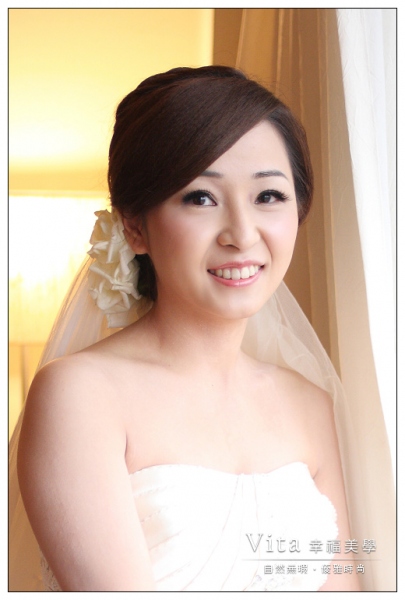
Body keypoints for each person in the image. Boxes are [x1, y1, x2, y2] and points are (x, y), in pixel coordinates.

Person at [10, 66, 363, 591]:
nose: (242, 234)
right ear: (134, 226)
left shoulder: (311, 404)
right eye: (201, 197)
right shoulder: (80, 395)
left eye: (268, 196)